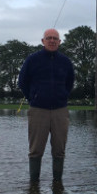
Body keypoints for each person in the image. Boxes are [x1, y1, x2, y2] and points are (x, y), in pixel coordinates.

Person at [18, 28, 75, 184]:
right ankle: (33, 185)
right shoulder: (32, 60)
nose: (52, 40)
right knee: (35, 150)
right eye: (48, 38)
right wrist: (33, 97)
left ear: (59, 42)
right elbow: (22, 82)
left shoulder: (66, 62)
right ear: (42, 41)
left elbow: (70, 83)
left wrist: (62, 96)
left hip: (60, 111)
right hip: (38, 110)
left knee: (59, 150)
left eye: (55, 38)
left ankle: (57, 184)